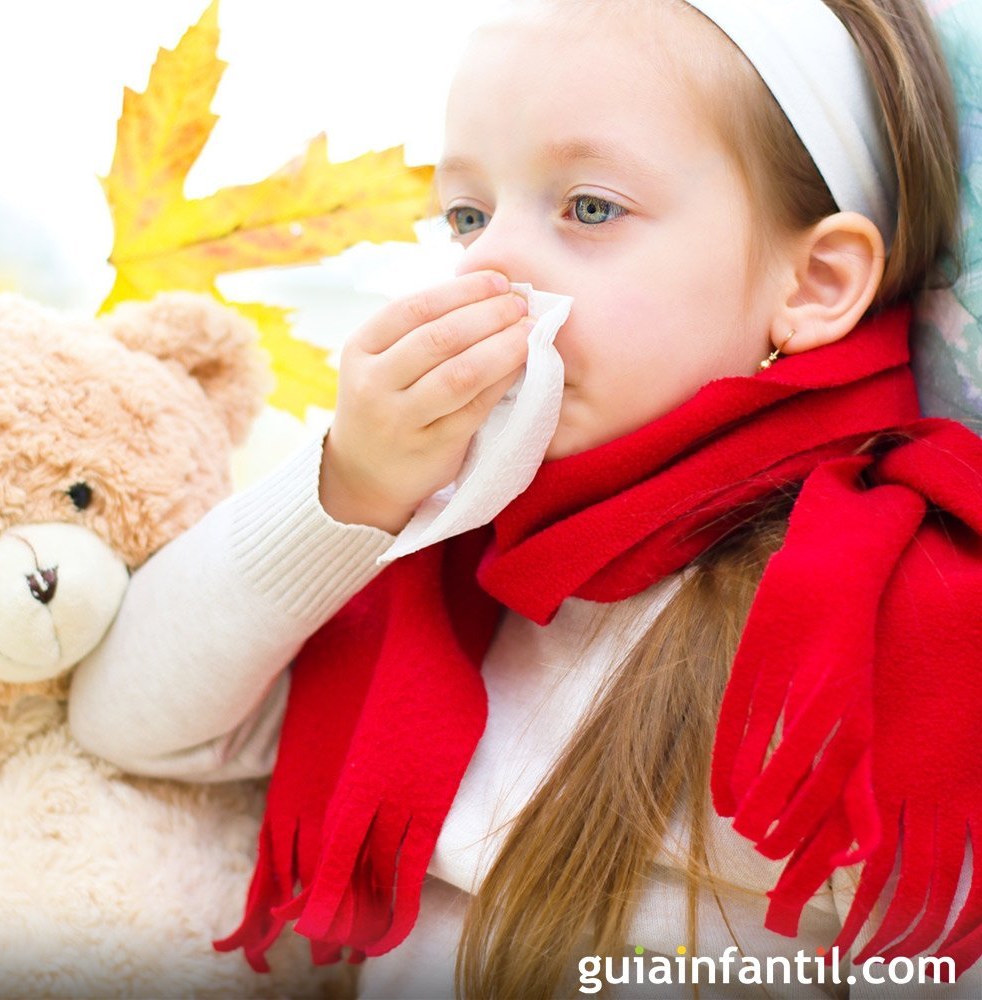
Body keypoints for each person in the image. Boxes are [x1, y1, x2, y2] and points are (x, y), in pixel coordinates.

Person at [69, 0, 982, 997]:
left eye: (589, 207)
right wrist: (353, 483)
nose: (486, 263)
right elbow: (130, 720)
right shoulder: (444, 539)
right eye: (466, 215)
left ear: (811, 282)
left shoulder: (883, 615)